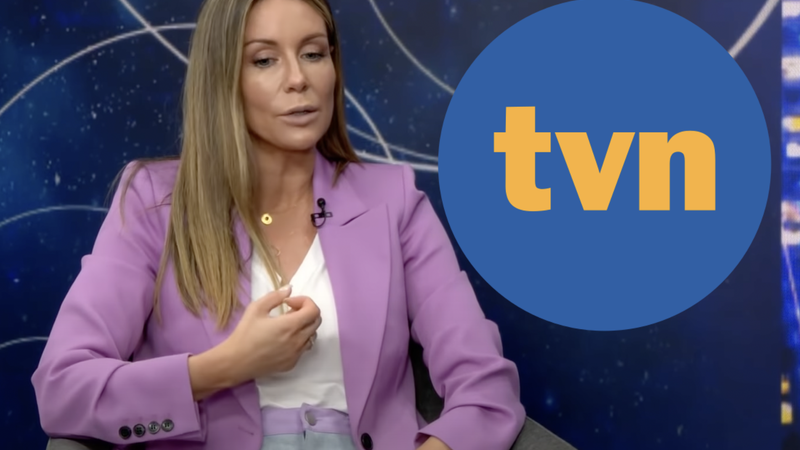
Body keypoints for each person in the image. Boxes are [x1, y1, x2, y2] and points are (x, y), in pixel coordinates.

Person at [31, 0, 526, 448]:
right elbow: (63, 388)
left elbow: (485, 388)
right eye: (265, 60)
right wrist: (226, 366)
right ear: (223, 77)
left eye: (313, 53)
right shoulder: (153, 201)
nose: (298, 79)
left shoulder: (394, 200)